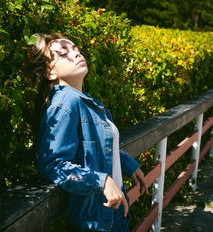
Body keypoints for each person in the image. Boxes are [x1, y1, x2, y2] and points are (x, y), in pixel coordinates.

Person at [30, 32, 148, 231]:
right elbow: (52, 164)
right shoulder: (66, 103)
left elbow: (97, 148)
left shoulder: (84, 100)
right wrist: (101, 182)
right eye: (63, 54)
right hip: (96, 221)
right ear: (50, 73)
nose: (75, 54)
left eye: (75, 49)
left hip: (113, 212)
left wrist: (128, 164)